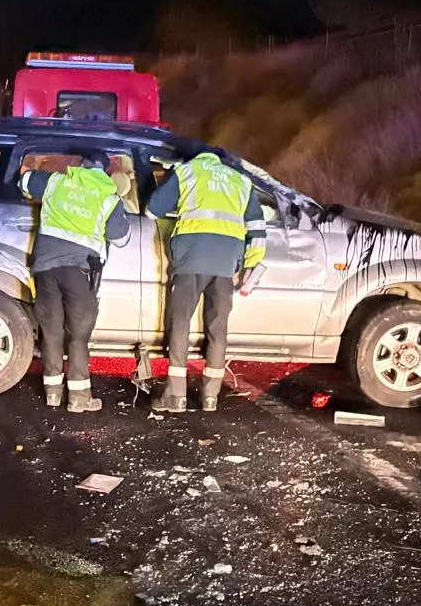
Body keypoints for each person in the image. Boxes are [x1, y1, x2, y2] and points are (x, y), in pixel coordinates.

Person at [145, 150, 265, 412]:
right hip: (226, 262)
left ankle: (176, 396)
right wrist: (251, 263)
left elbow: (153, 211)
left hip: (191, 257)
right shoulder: (240, 180)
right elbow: (257, 227)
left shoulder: (187, 171)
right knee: (217, 325)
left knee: (180, 322)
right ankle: (211, 395)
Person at [18, 152, 129, 412]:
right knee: (78, 335)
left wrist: (29, 167)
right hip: (80, 271)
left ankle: (53, 393)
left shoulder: (57, 182)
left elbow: (24, 182)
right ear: (106, 173)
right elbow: (121, 239)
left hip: (45, 268)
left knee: (52, 332)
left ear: (81, 166)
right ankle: (79, 398)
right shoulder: (108, 198)